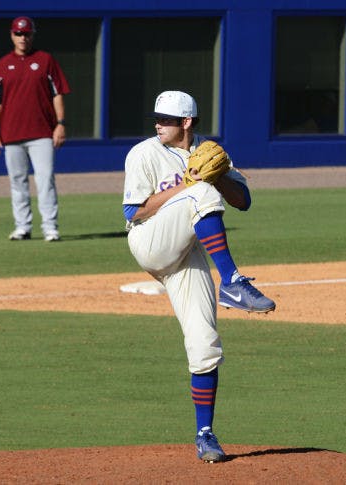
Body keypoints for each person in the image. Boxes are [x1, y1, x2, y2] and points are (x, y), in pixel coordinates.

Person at [122, 90, 276, 463]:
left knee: (206, 345)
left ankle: (205, 435)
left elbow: (243, 201)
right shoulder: (143, 153)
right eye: (156, 118)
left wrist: (219, 175)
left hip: (186, 256)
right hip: (151, 240)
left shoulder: (208, 150)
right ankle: (233, 281)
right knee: (199, 193)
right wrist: (189, 184)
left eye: (167, 120)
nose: (158, 124)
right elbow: (134, 210)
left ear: (187, 123)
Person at [0, 16, 70, 242]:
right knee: (17, 181)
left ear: (33, 35)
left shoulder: (44, 60)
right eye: (18, 34)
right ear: (12, 35)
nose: (23, 38)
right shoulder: (3, 64)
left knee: (45, 180)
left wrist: (60, 124)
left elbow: (57, 93)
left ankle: (50, 228)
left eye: (26, 34)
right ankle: (22, 226)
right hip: (11, 134)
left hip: (42, 132)